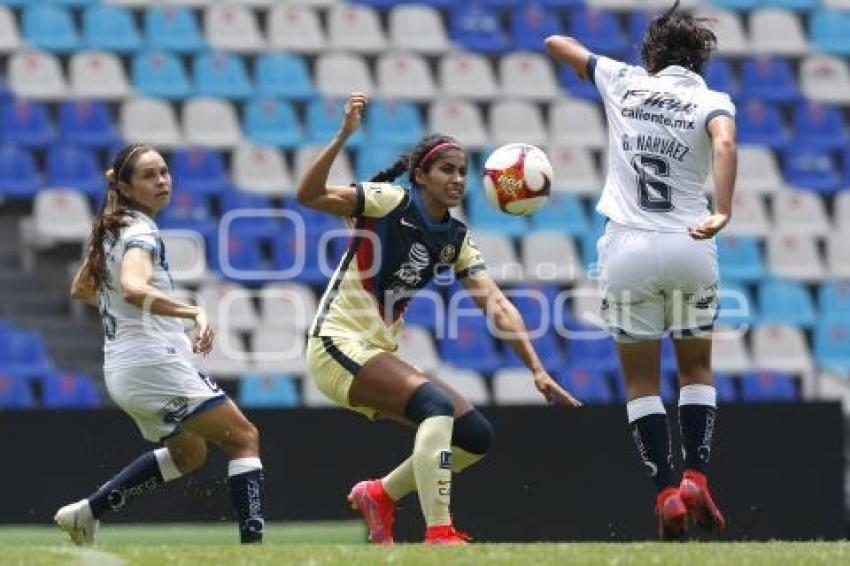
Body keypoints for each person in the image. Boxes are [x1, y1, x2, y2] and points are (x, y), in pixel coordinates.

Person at [298, 92, 582, 545]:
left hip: (374, 350)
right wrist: (342, 137)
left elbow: (496, 303)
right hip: (336, 344)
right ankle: (439, 531)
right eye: (446, 169)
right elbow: (308, 194)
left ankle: (380, 494)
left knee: (474, 435)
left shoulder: (455, 238)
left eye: (462, 172)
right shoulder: (387, 202)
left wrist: (537, 369)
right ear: (420, 176)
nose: (456, 179)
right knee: (438, 407)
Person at [546, 0, 736, 540]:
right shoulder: (711, 100)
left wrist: (609, 66)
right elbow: (725, 142)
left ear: (651, 56)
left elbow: (555, 44)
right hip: (690, 242)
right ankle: (696, 474)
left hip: (626, 249)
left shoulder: (624, 80)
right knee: (696, 368)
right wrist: (721, 209)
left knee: (640, 380)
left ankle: (666, 491)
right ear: (699, 59)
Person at [55, 144, 266, 545]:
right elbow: (134, 287)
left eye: (165, 172)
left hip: (125, 369)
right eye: (149, 175)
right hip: (153, 364)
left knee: (191, 455)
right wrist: (193, 313)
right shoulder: (139, 230)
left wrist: (127, 311)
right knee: (243, 437)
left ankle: (88, 512)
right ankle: (253, 550)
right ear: (127, 187)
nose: (162, 181)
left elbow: (83, 288)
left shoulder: (112, 227)